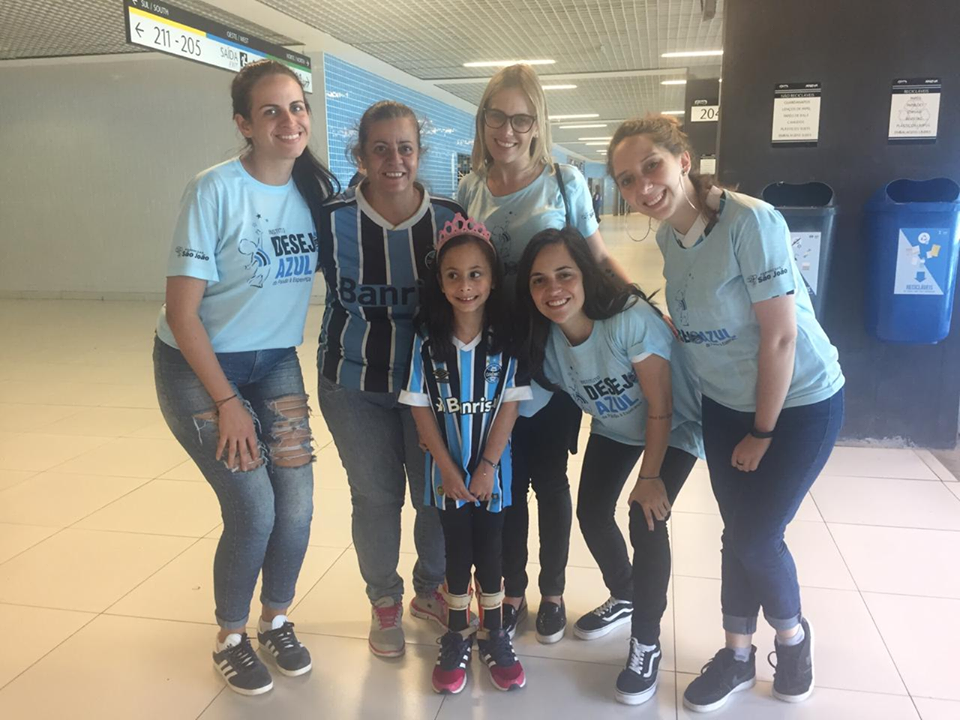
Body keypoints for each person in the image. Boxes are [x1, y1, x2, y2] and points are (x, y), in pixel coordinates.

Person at [608, 114, 845, 712]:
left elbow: (781, 339)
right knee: (735, 533)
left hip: (799, 401)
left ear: (682, 161)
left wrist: (762, 431)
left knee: (758, 536)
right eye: (628, 180)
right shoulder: (667, 239)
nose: (643, 188)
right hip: (724, 406)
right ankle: (738, 653)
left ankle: (792, 640)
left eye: (651, 167)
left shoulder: (752, 220)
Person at [153, 59, 337, 696]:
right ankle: (231, 635)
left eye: (297, 108)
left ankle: (276, 619)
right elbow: (181, 314)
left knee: (298, 505)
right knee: (255, 509)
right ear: (244, 124)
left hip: (274, 360)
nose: (290, 121)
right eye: (271, 111)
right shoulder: (214, 190)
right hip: (198, 365)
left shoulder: (316, 191)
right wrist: (227, 401)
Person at [457, 63, 631, 644]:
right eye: (496, 117)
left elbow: (598, 260)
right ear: (482, 121)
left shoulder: (564, 182)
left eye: (521, 119)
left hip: (552, 357)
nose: (507, 130)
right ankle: (511, 591)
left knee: (549, 479)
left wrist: (648, 315)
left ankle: (552, 591)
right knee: (504, 477)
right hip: (489, 359)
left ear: (537, 125)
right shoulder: (470, 188)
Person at [516, 227, 702, 705]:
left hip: (677, 422)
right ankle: (626, 594)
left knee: (645, 519)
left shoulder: (628, 321)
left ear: (586, 275)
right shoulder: (550, 346)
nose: (553, 290)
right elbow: (522, 405)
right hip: (617, 426)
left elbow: (661, 406)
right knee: (592, 512)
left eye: (564, 275)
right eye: (539, 281)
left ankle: (647, 644)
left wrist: (650, 477)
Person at [314, 100, 463, 658]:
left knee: (432, 495)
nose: (394, 159)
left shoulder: (449, 218)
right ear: (360, 155)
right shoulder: (331, 219)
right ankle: (383, 601)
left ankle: (430, 591)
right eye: (380, 148)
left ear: (420, 154)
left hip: (431, 389)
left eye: (405, 148)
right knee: (375, 497)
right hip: (352, 385)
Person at [400, 214, 529, 694]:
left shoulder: (505, 340)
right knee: (456, 555)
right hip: (448, 477)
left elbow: (510, 408)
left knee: (491, 554)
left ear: (493, 279)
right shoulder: (427, 342)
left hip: (493, 478)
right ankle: (457, 633)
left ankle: (494, 632)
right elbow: (420, 412)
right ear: (440, 281)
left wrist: (488, 467)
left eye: (476, 274)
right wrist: (451, 470)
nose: (465, 285)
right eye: (453, 275)